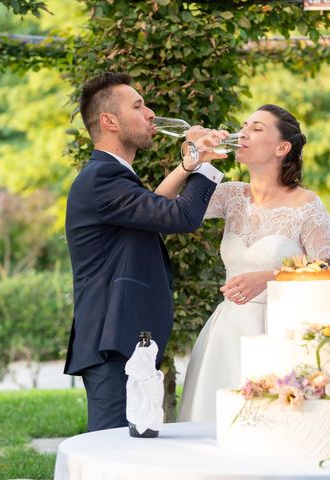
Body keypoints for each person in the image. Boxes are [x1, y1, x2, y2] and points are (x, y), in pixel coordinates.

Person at [64, 72, 227, 432]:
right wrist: (207, 163)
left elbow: (151, 208)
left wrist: (190, 164)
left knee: (134, 445)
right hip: (113, 342)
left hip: (128, 340)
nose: (151, 113)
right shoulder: (102, 180)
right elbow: (179, 216)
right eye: (138, 106)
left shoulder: (111, 177)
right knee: (110, 455)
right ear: (109, 121)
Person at [156, 104, 330, 421]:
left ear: (283, 148)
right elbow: (161, 206)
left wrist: (270, 278)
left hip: (280, 331)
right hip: (226, 332)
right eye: (243, 126)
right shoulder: (229, 195)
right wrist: (192, 162)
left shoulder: (307, 205)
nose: (243, 134)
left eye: (256, 129)